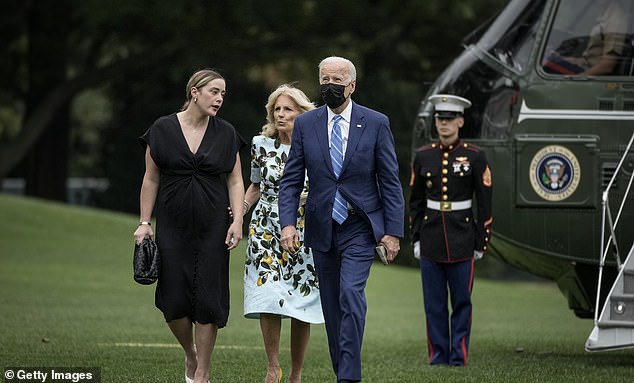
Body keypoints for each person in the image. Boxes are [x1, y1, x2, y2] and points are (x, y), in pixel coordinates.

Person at [278, 56, 404, 383]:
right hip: (321, 226)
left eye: (336, 79)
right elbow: (292, 179)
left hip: (360, 225)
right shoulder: (306, 124)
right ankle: (342, 373)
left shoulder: (375, 123)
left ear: (351, 85)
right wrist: (288, 223)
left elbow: (389, 179)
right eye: (324, 79)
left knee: (350, 293)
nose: (329, 85)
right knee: (332, 308)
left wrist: (393, 232)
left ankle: (349, 377)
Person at [133, 69, 246, 383]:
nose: (219, 98)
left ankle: (202, 372)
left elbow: (236, 181)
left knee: (209, 298)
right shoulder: (162, 129)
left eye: (223, 93)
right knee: (174, 299)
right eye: (214, 91)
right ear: (194, 92)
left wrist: (237, 220)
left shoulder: (226, 133)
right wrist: (144, 222)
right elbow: (150, 178)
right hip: (173, 224)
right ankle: (191, 354)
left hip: (214, 226)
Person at [243, 84, 324, 383]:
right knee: (268, 294)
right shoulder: (260, 144)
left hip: (303, 228)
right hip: (264, 227)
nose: (280, 114)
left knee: (301, 301)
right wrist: (238, 213)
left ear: (302, 114)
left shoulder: (317, 147)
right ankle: (273, 367)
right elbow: (254, 186)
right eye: (276, 109)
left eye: (287, 109)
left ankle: (296, 373)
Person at [409, 94, 492, 366]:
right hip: (431, 237)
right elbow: (417, 202)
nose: (443, 124)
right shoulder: (423, 156)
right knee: (433, 305)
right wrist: (416, 237)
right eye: (439, 118)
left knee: (461, 303)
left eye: (448, 119)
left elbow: (485, 203)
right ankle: (438, 356)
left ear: (460, 121)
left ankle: (459, 356)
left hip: (463, 239)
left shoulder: (475, 156)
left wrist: (481, 242)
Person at [543, 0, 630, 76]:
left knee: (545, 63)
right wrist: (566, 59)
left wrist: (581, 77)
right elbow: (589, 60)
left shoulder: (615, 19)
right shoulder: (604, 13)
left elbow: (608, 65)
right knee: (549, 58)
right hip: (585, 68)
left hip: (589, 76)